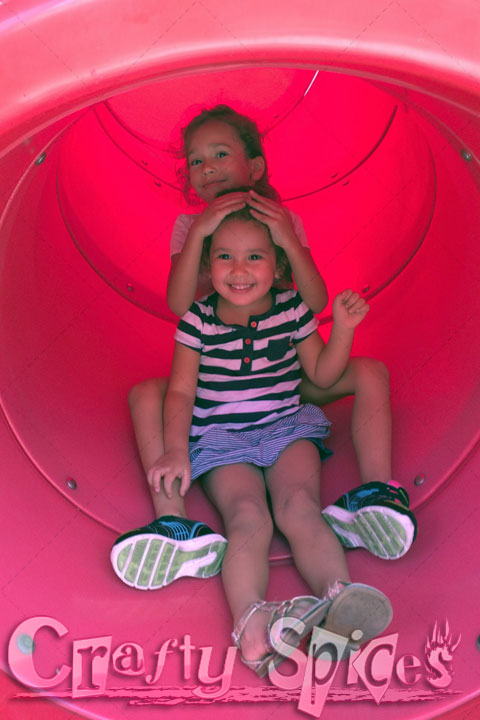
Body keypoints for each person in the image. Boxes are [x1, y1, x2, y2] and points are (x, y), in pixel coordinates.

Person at [112, 105, 416, 591]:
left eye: (220, 154)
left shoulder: (283, 221)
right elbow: (179, 303)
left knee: (369, 371)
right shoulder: (188, 230)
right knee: (149, 393)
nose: (206, 167)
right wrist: (199, 235)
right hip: (218, 384)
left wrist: (288, 240)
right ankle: (173, 522)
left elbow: (311, 301)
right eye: (194, 161)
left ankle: (375, 491)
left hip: (285, 378)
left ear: (253, 168)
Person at [116, 205, 394, 676]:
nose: (239, 270)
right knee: (248, 518)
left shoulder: (292, 309)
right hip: (221, 436)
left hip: (286, 426)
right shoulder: (198, 321)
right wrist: (178, 448)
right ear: (208, 266)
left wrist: (342, 331)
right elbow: (182, 390)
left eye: (254, 258)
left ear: (278, 265)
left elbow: (322, 372)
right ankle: (250, 620)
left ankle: (339, 600)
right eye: (225, 257)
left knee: (300, 505)